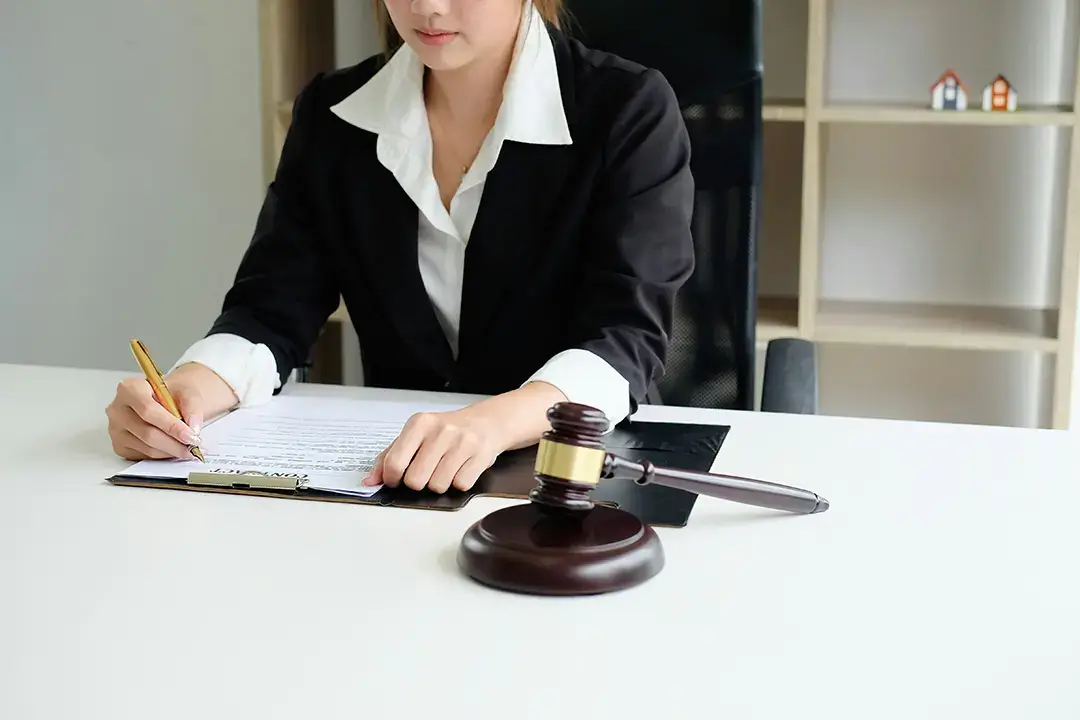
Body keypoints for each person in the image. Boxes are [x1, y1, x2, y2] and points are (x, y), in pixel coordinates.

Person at [105, 0, 695, 495]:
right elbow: (270, 309)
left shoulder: (628, 108)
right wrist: (192, 390)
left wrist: (490, 422)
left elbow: (627, 337)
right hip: (398, 478)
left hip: (580, 473)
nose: (426, 7)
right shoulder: (335, 115)